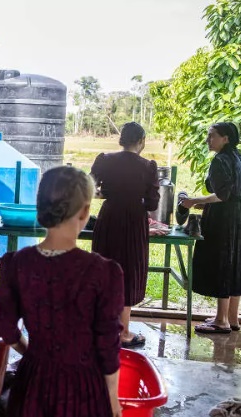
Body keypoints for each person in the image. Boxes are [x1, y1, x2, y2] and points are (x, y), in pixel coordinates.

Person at [0, 166, 123, 417]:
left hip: (33, 383)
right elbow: (108, 346)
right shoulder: (103, 272)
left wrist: (33, 353)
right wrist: (112, 398)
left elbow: (7, 330)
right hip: (84, 389)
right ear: (85, 211)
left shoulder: (16, 265)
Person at [91, 122, 159, 348]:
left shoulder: (105, 159)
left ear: (121, 139)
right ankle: (123, 333)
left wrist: (104, 192)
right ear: (141, 141)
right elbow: (152, 202)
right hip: (133, 221)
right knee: (128, 272)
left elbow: (88, 187)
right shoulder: (148, 166)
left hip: (109, 217)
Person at [180, 122, 241, 334]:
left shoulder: (220, 161)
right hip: (238, 217)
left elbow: (222, 195)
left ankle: (221, 321)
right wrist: (202, 202)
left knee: (222, 263)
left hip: (223, 219)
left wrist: (192, 201)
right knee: (235, 264)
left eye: (212, 136)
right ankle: (232, 318)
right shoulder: (238, 157)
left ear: (225, 138)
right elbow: (234, 194)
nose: (208, 140)